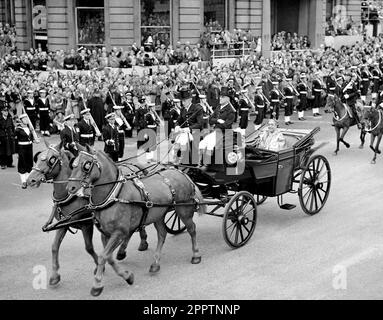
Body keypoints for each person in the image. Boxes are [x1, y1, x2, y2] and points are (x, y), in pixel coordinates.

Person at [14, 114, 39, 189]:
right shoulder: (18, 129)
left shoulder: (29, 128)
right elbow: (15, 141)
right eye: (24, 119)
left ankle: (28, 180)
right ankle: (23, 181)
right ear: (21, 120)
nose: (26, 120)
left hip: (29, 147)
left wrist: (35, 140)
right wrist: (17, 152)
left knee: (29, 163)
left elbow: (30, 138)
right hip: (22, 148)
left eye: (27, 119)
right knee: (22, 164)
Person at [0, 105, 15, 169]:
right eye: (4, 111)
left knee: (9, 150)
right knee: (2, 151)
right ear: (2, 112)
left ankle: (9, 163)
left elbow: (13, 128)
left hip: (9, 136)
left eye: (7, 111)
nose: (6, 112)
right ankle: (3, 164)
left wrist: (13, 135)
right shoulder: (0, 119)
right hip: (2, 136)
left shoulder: (9, 119)